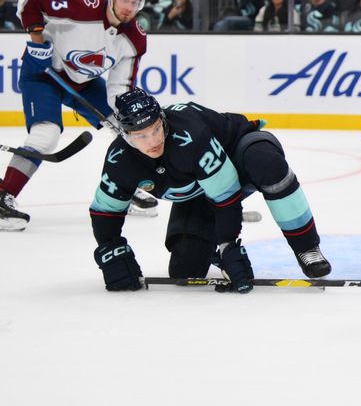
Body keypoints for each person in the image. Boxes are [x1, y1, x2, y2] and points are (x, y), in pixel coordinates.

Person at [89, 89, 331, 293]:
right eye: (140, 135)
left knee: (266, 163)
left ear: (162, 119)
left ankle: (307, 247)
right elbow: (105, 211)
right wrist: (110, 248)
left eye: (155, 129)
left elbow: (226, 196)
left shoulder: (191, 137)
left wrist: (228, 244)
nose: (153, 141)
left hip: (239, 153)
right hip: (199, 189)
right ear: (125, 135)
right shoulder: (119, 160)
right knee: (186, 269)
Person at [0, 0, 157, 231]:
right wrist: (38, 41)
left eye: (135, 2)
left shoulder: (134, 40)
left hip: (83, 83)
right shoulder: (84, 5)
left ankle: (122, 188)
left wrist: (125, 120)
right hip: (43, 74)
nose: (129, 7)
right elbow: (31, 1)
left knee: (128, 126)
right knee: (45, 135)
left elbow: (119, 88)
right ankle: (4, 194)